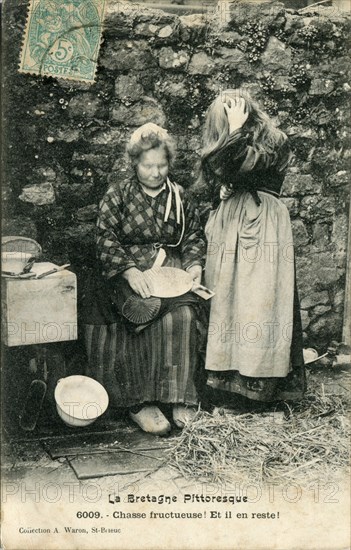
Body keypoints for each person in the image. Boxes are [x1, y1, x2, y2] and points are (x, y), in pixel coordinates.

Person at [84, 123, 206, 435]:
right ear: (135, 163)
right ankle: (138, 402)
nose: (155, 173)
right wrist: (129, 271)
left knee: (182, 316)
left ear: (170, 163)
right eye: (147, 166)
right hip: (128, 271)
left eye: (161, 165)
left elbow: (193, 237)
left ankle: (178, 397)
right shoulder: (119, 194)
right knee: (140, 312)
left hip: (169, 270)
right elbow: (104, 238)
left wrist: (193, 267)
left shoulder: (179, 196)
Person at [197, 88, 306, 404]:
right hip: (230, 223)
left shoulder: (276, 141)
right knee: (227, 302)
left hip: (264, 224)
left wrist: (234, 130)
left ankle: (260, 387)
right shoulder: (226, 142)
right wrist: (222, 192)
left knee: (259, 302)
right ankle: (226, 385)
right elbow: (216, 171)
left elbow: (247, 165)